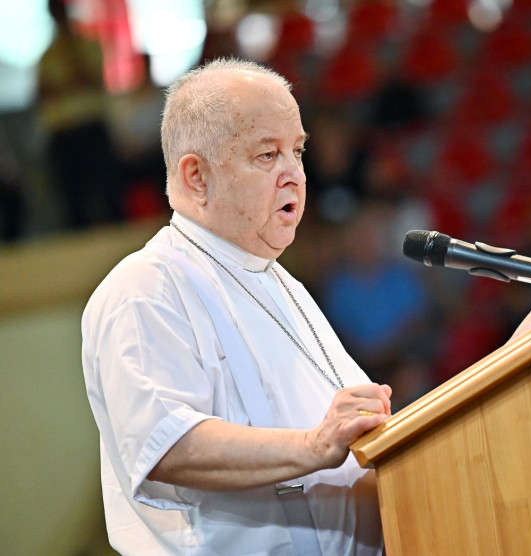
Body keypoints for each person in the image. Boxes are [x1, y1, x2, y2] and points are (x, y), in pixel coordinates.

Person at [81, 58, 392, 555]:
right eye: (268, 155)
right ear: (197, 177)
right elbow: (167, 446)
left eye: (298, 151)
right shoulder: (147, 287)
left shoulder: (279, 282)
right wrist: (315, 445)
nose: (295, 175)